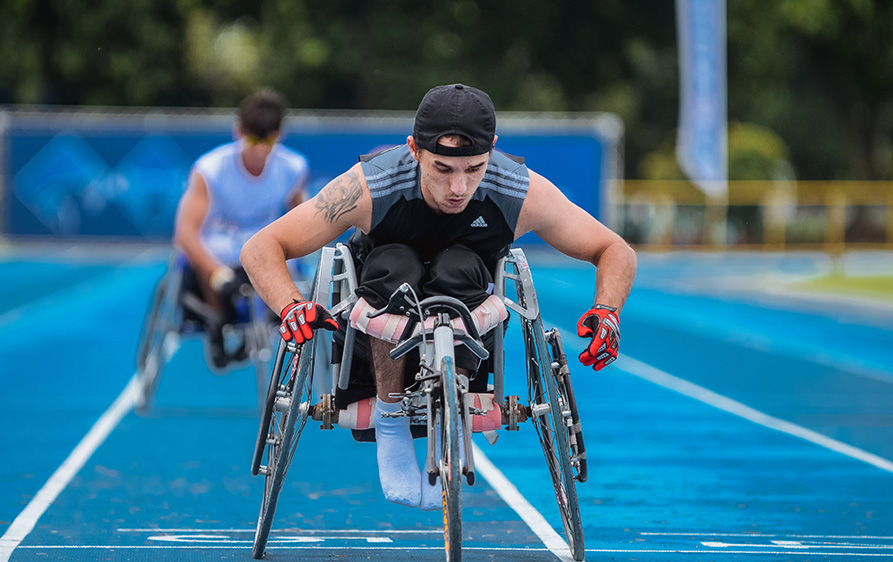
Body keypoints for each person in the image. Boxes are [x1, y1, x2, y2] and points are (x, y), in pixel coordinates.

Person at [241, 83, 636, 509]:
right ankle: (391, 421)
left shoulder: (517, 190)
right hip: (380, 316)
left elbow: (614, 249)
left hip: (464, 312)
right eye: (443, 169)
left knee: (459, 266)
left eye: (474, 168)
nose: (459, 187)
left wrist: (607, 310)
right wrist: (290, 306)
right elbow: (261, 247)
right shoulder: (370, 186)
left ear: (493, 151)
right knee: (396, 263)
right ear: (414, 149)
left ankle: (456, 417)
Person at [174, 88, 310, 369]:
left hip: (264, 246)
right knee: (210, 251)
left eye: (268, 140)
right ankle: (217, 318)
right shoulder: (210, 169)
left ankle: (273, 311)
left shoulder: (293, 167)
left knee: (284, 252)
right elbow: (185, 234)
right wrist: (218, 274)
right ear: (238, 132)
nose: (260, 149)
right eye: (253, 139)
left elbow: (305, 222)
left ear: (279, 134)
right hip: (222, 249)